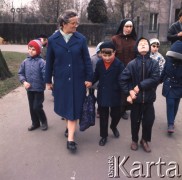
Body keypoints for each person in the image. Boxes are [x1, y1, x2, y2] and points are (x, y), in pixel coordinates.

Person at [45, 9, 93, 152]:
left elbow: (87, 60)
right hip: (61, 81)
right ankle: (69, 127)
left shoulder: (81, 39)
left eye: (77, 23)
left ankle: (70, 139)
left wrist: (89, 78)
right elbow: (49, 62)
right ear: (63, 24)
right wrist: (48, 81)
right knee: (66, 107)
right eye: (73, 23)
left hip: (78, 80)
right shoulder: (53, 40)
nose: (76, 25)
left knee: (74, 107)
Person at [119, 37, 160, 152]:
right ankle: (134, 140)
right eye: (140, 43)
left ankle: (145, 140)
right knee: (135, 121)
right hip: (136, 101)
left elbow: (155, 78)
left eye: (145, 43)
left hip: (149, 100)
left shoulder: (154, 63)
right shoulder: (132, 64)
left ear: (149, 47)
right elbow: (122, 79)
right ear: (136, 47)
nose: (143, 45)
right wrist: (129, 91)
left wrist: (140, 86)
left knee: (148, 121)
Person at [93, 41, 125, 146]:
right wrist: (89, 82)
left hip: (116, 93)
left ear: (114, 52)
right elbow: (95, 76)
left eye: (109, 55)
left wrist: (127, 92)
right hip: (103, 93)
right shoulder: (99, 63)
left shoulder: (119, 64)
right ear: (100, 53)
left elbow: (123, 79)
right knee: (103, 116)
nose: (107, 58)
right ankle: (104, 136)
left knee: (116, 114)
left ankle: (113, 126)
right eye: (104, 55)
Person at [18, 39, 48, 131]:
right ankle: (35, 123)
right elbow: (20, 73)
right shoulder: (25, 62)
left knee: (37, 106)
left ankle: (44, 121)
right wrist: (24, 81)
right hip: (29, 89)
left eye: (33, 49)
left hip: (39, 89)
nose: (30, 50)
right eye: (29, 48)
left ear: (38, 50)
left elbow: (45, 74)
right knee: (31, 107)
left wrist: (47, 82)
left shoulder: (42, 62)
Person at [112, 18, 137, 120]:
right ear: (122, 27)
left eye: (131, 26)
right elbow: (112, 54)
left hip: (130, 70)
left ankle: (123, 110)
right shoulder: (115, 39)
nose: (129, 28)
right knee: (117, 90)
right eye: (127, 26)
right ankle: (115, 108)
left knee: (127, 90)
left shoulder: (135, 40)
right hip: (118, 69)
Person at [160, 40, 182, 134]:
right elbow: (164, 71)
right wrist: (157, 81)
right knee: (170, 103)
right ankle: (170, 124)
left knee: (176, 104)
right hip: (169, 85)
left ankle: (171, 120)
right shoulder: (169, 59)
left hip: (179, 85)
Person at [90, 42, 103, 118]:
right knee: (91, 96)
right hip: (92, 81)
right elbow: (89, 69)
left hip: (100, 82)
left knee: (100, 96)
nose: (101, 54)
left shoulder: (105, 59)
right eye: (100, 52)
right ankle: (91, 108)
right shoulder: (92, 59)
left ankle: (99, 109)